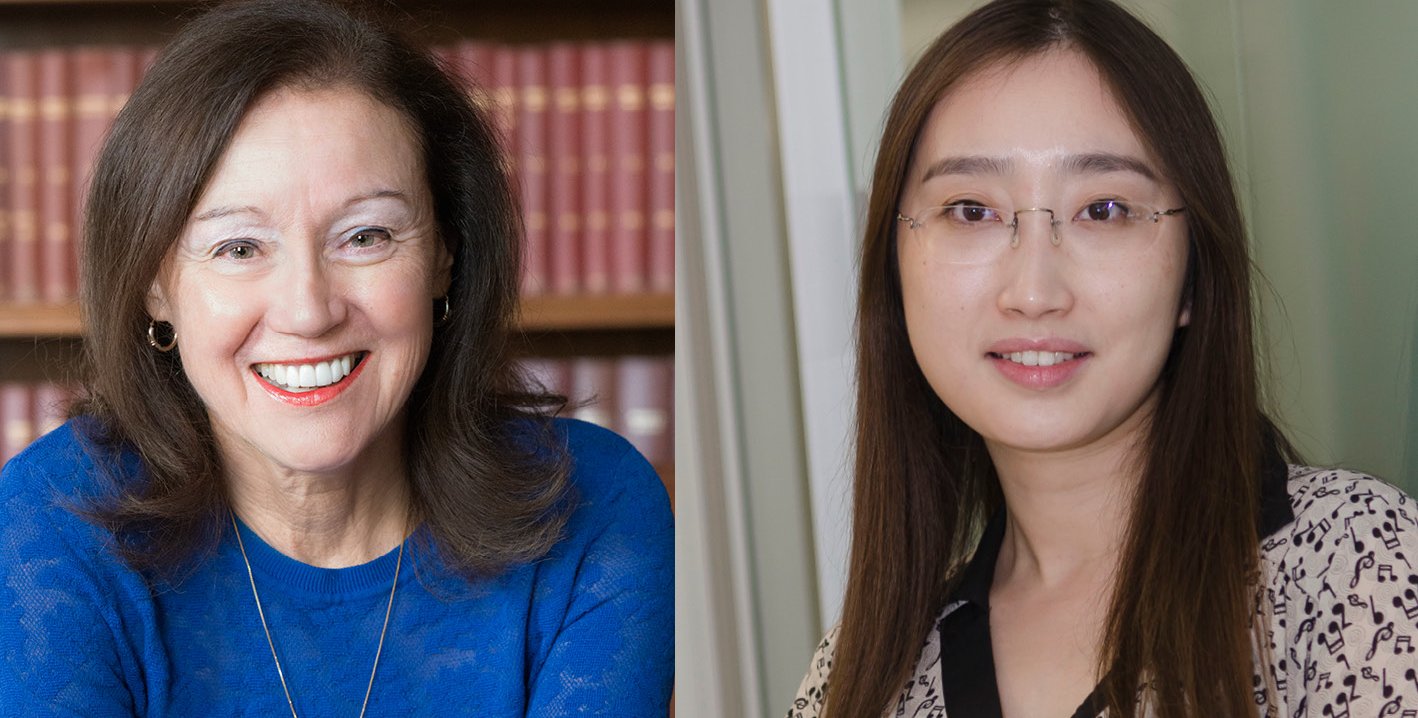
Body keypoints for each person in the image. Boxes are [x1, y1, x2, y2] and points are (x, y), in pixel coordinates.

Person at [0, 1, 672, 715]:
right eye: (238, 247)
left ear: (445, 255)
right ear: (154, 287)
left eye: (365, 236)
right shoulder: (54, 522)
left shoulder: (594, 505)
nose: (308, 311)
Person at [789, 0, 1417, 716]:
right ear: (893, 267)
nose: (1033, 293)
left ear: (1193, 275)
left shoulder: (1358, 569)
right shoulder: (857, 675)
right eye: (971, 210)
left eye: (1104, 210)